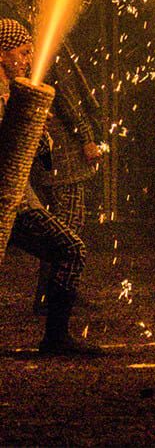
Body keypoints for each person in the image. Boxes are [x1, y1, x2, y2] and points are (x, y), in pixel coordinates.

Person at [0, 18, 102, 356]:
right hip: (11, 201)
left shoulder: (16, 92)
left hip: (17, 200)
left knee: (69, 249)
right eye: (23, 52)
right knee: (71, 249)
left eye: (31, 53)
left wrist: (37, 133)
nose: (28, 60)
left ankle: (56, 337)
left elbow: (37, 159)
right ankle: (56, 338)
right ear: (3, 54)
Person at [30, 41, 103, 315]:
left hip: (52, 155)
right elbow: (68, 101)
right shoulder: (52, 48)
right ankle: (56, 294)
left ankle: (54, 293)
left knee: (62, 226)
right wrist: (86, 138)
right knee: (68, 227)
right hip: (64, 154)